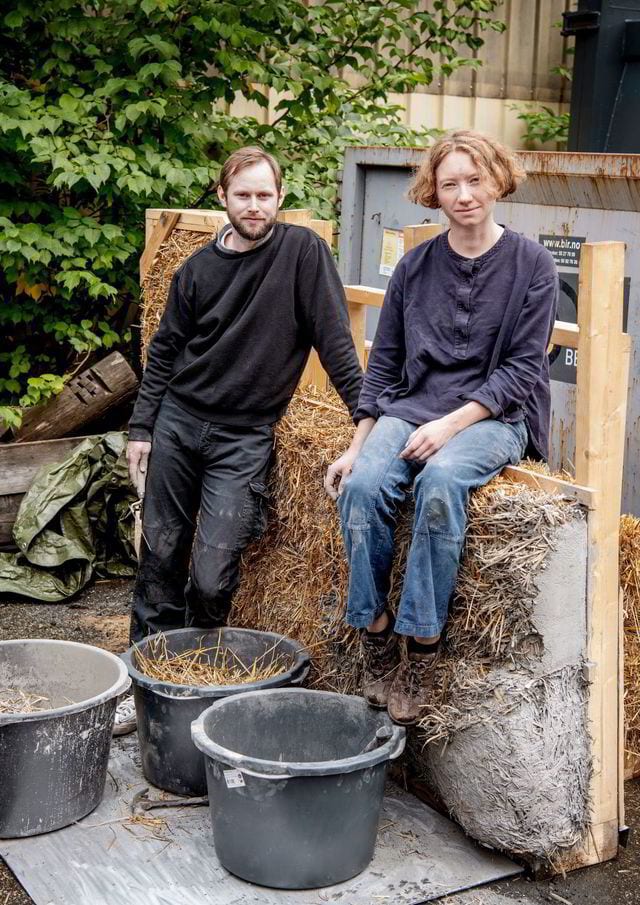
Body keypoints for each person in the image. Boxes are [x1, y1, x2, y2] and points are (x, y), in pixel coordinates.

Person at [116, 148, 362, 732]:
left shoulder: (302, 253)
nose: (255, 206)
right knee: (160, 555)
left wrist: (365, 423)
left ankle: (196, 677)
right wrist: (142, 428)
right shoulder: (196, 270)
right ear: (223, 197)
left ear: (280, 197)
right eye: (244, 195)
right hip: (179, 421)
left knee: (211, 575)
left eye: (264, 195)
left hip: (243, 435)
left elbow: (335, 341)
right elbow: (164, 351)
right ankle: (143, 683)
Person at [324, 130, 558, 726]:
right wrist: (357, 446)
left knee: (440, 483)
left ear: (498, 181)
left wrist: (451, 425)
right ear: (434, 192)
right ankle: (377, 632)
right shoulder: (415, 265)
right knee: (362, 486)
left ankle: (422, 649)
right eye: (450, 184)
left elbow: (523, 369)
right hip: (413, 406)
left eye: (475, 180)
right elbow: (384, 364)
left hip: (496, 415)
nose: (465, 194)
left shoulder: (533, 265)